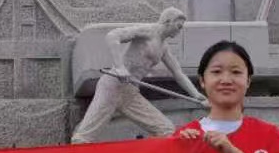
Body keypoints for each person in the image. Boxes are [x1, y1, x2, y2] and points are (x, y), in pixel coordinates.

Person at [71, 9, 203, 143]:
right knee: (83, 137)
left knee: (167, 130)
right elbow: (112, 36)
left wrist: (197, 95)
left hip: (130, 92)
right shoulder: (147, 31)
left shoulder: (163, 48)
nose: (180, 30)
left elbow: (178, 73)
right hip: (113, 85)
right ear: (168, 21)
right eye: (178, 26)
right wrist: (119, 67)